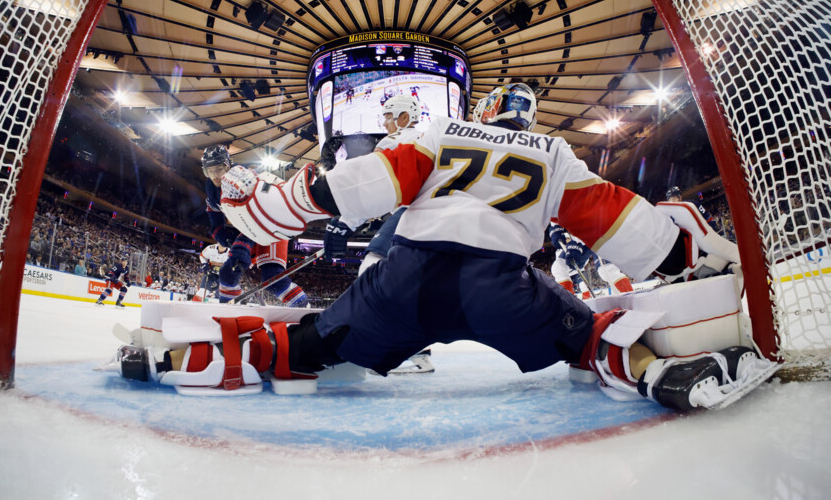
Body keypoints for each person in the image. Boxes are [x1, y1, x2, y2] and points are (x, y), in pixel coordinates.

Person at [154, 83, 771, 411]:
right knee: (590, 338)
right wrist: (685, 256)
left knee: (302, 346)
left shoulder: (439, 131)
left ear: (485, 108)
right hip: (501, 287)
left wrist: (259, 208)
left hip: (402, 283)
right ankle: (651, 373)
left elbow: (347, 189)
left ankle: (199, 361)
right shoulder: (551, 151)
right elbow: (611, 219)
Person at [324, 95, 423, 276]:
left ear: (404, 117)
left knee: (371, 267)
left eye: (387, 117)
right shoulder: (428, 139)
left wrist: (345, 222)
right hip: (445, 215)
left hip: (413, 212)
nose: (384, 124)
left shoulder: (394, 141)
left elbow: (371, 185)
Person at [201, 145, 308, 307]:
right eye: (210, 171)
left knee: (272, 278)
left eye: (219, 169)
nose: (215, 175)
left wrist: (243, 244)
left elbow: (258, 216)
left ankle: (302, 308)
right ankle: (229, 314)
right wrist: (224, 237)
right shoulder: (211, 189)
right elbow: (215, 225)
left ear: (228, 166)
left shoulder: (243, 180)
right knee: (227, 273)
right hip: (250, 229)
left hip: (271, 223)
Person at [548, 222, 633, 298]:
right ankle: (570, 304)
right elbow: (555, 213)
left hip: (598, 231)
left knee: (606, 269)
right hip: (579, 238)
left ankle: (630, 299)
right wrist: (555, 227)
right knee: (558, 268)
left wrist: (576, 244)